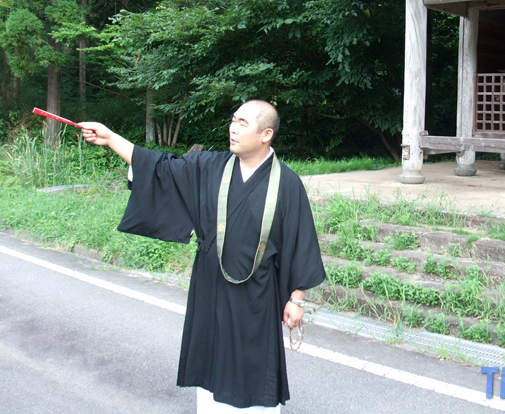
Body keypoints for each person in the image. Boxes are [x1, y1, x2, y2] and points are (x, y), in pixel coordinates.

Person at [80, 100, 326, 413]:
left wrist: (297, 297)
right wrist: (111, 138)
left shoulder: (287, 184)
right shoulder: (210, 166)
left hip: (258, 296)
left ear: (266, 134)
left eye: (242, 123)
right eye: (233, 120)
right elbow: (161, 169)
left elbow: (299, 240)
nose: (232, 128)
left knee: (253, 370)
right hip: (210, 287)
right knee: (211, 367)